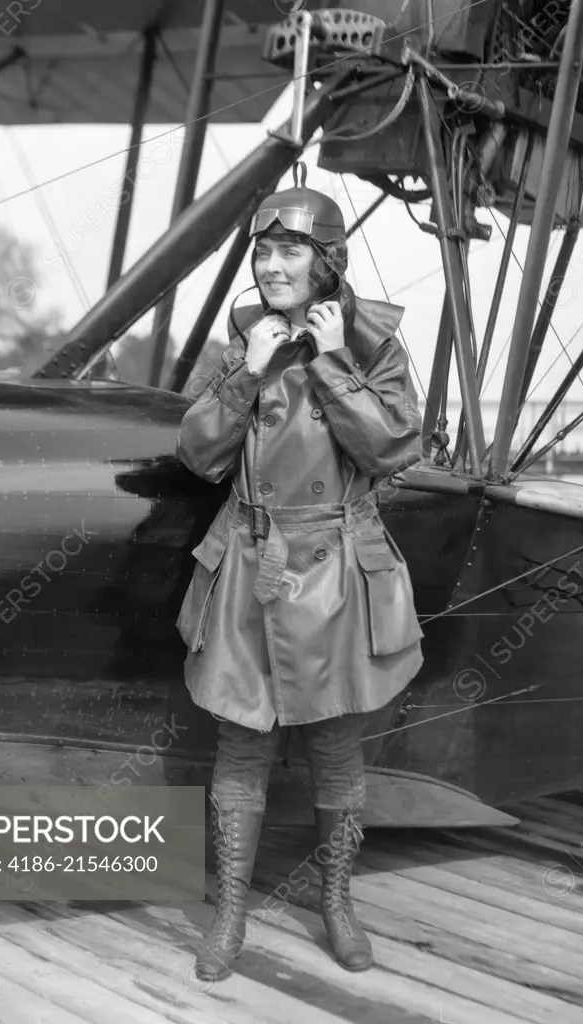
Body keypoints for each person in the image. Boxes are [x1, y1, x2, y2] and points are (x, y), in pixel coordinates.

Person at [175, 181, 425, 983]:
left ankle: (339, 905)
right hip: (252, 564)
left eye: (289, 251)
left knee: (336, 745)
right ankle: (231, 917)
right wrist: (246, 373)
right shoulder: (238, 343)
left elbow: (391, 449)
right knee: (240, 744)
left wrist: (334, 361)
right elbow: (199, 454)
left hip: (335, 567)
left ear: (326, 263)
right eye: (262, 250)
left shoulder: (374, 343)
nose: (271, 265)